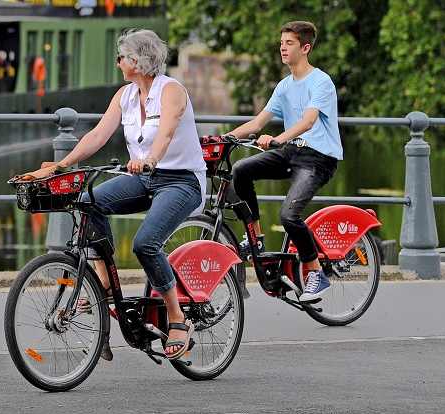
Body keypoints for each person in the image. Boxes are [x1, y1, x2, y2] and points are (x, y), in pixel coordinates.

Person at [21, 29, 205, 361]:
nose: (118, 63)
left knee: (145, 243)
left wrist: (149, 159)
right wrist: (61, 166)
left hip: (180, 181)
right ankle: (103, 287)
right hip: (144, 177)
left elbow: (164, 133)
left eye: (121, 57)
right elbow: (98, 134)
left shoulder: (171, 91)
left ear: (136, 60)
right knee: (89, 203)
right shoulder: (126, 95)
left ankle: (178, 318)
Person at [223, 21, 342, 302]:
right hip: (292, 153)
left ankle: (316, 273)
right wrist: (222, 138)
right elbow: (257, 122)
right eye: (281, 44)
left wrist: (278, 137)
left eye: (289, 43)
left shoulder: (320, 81)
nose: (283, 48)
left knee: (289, 215)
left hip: (318, 158)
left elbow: (309, 120)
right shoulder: (285, 85)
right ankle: (256, 238)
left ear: (305, 48)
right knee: (241, 169)